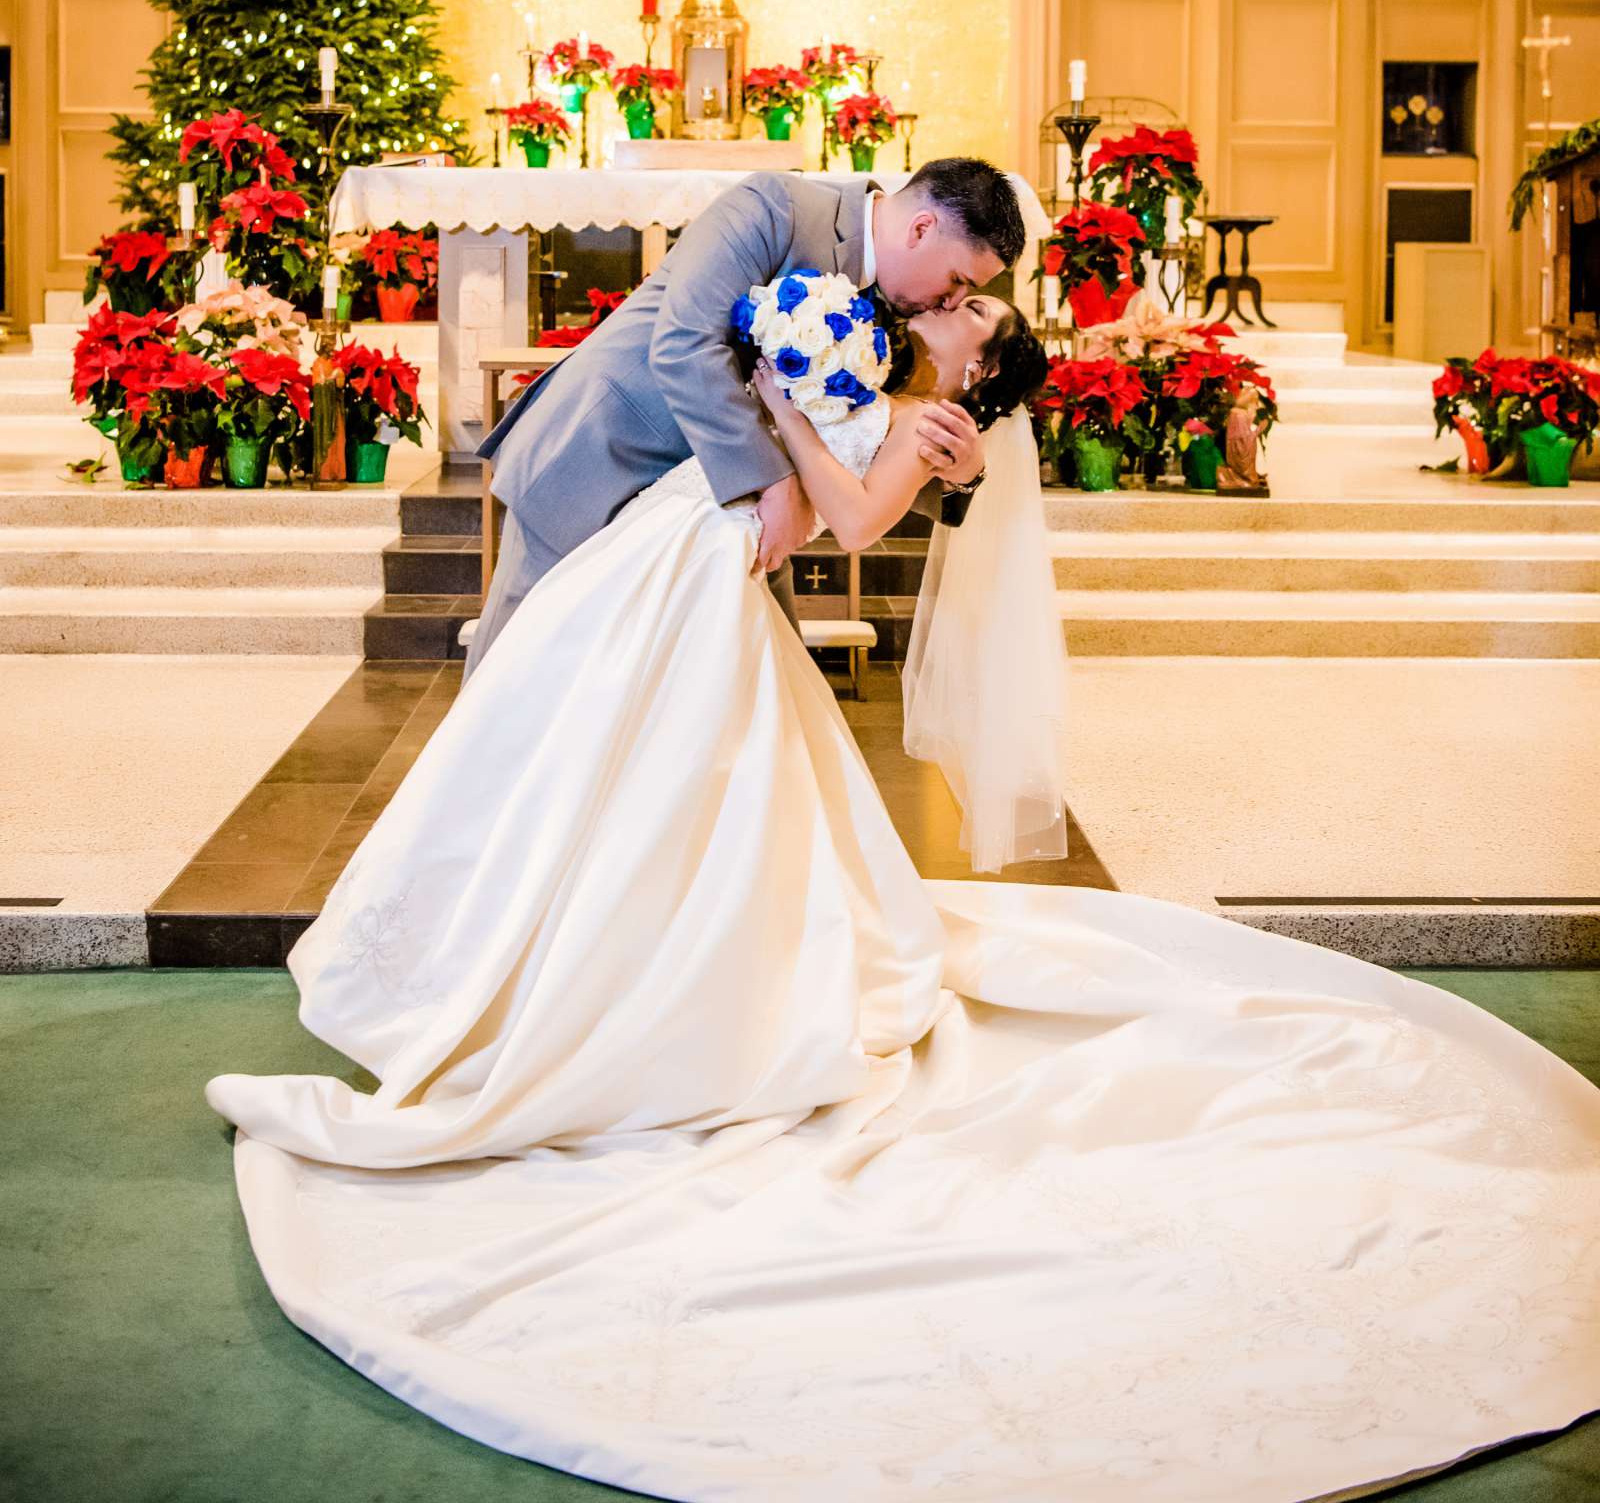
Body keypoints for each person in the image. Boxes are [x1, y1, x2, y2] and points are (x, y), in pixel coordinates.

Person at [204, 249, 1600, 1501]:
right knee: (578, 779)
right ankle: (506, 973)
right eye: (969, 287)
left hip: (704, 569)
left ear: (978, 370)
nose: (960, 304)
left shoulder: (929, 423)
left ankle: (597, 1003)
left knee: (663, 806)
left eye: (979, 313)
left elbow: (852, 525)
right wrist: (783, 373)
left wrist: (798, 411)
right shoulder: (876, 348)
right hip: (673, 552)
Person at [464, 157, 1025, 675]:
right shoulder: (776, 206)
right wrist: (774, 480)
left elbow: (886, 434)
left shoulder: (902, 308)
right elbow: (683, 344)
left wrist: (963, 472)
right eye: (957, 281)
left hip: (725, 516)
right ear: (922, 229)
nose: (950, 302)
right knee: (518, 670)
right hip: (606, 453)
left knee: (764, 682)